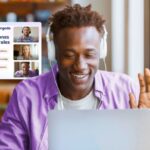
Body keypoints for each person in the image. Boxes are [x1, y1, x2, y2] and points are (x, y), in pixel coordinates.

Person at [0, 4, 150, 149]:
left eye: (89, 54)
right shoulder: (26, 96)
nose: (80, 65)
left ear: (101, 51)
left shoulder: (126, 91)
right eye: (69, 55)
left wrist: (144, 133)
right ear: (54, 53)